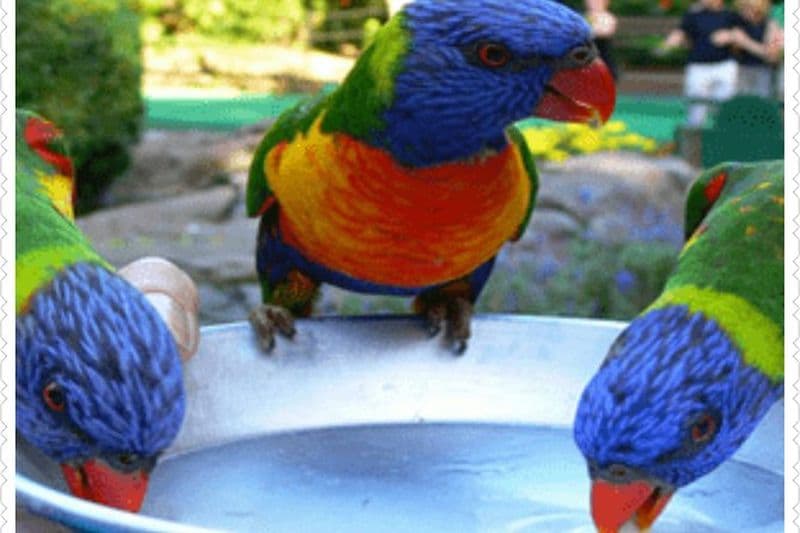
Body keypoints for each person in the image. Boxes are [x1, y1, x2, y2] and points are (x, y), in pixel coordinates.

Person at [659, 0, 739, 126]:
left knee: (724, 105)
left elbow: (741, 34)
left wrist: (730, 36)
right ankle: (694, 139)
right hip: (698, 66)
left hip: (725, 66)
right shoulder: (693, 14)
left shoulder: (731, 15)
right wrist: (666, 46)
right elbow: (680, 32)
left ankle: (723, 136)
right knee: (696, 108)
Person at [729, 0, 782, 97]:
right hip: (742, 70)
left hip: (763, 71)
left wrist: (744, 41)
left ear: (757, 9)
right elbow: (735, 50)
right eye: (742, 7)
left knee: (761, 105)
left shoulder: (770, 24)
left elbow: (770, 54)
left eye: (746, 8)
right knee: (742, 104)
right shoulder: (739, 22)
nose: (743, 11)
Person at [585, 0, 619, 80]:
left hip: (604, 62)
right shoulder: (586, 17)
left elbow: (605, 31)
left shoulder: (607, 17)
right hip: (588, 63)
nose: (593, 4)